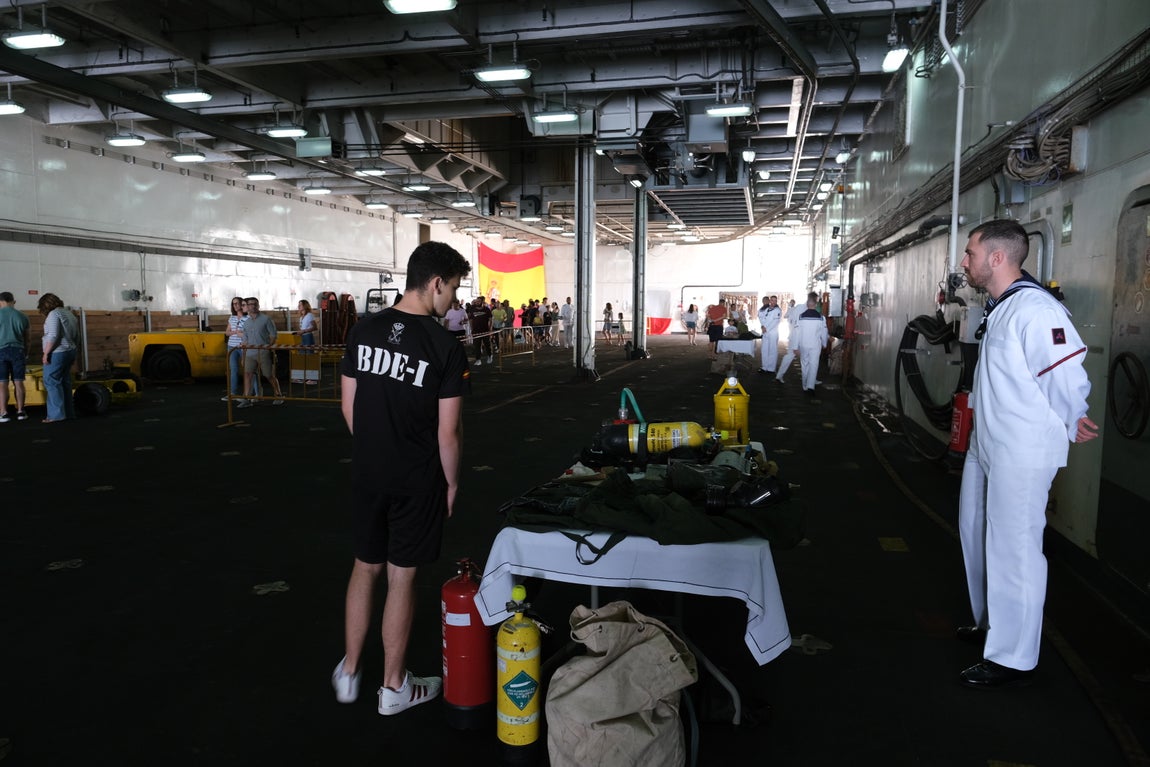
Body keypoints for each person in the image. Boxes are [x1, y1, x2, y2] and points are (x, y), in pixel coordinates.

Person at [955, 219, 1098, 689]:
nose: (964, 261)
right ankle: (990, 624)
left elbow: (1064, 369)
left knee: (1014, 548)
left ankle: (1012, 656)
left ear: (996, 258)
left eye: (970, 252)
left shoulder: (1036, 309)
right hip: (989, 441)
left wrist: (1074, 413)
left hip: (1021, 448)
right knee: (975, 531)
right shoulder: (1002, 306)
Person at [332, 241, 471, 716]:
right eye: (452, 288)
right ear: (435, 283)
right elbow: (447, 432)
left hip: (368, 472)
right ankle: (393, 687)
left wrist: (377, 446)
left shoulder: (362, 330)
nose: (453, 299)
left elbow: (349, 407)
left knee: (364, 567)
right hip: (417, 480)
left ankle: (350, 671)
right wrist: (451, 483)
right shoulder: (444, 347)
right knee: (402, 579)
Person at [38, 293, 80, 423]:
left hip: (57, 352)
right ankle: (68, 413)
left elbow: (53, 335)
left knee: (51, 381)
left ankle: (56, 415)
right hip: (70, 350)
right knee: (65, 381)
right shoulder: (69, 313)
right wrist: (75, 349)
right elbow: (76, 334)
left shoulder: (53, 314)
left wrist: (46, 353)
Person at [237, 297, 284, 407]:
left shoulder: (266, 319)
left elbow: (273, 335)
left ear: (258, 306)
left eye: (255, 304)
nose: (253, 306)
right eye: (250, 304)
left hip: (263, 351)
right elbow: (245, 340)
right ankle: (247, 398)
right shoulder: (247, 323)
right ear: (247, 306)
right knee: (248, 374)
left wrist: (268, 348)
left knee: (268, 375)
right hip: (249, 353)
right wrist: (244, 356)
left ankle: (278, 394)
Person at [0, 291, 31, 422]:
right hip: (18, 351)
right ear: (13, 301)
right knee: (18, 382)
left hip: (0, 351)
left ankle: (4, 413)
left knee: (2, 384)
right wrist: (26, 353)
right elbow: (28, 339)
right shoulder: (23, 316)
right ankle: (20, 412)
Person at [793, 293, 827, 393]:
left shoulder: (800, 317)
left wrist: (795, 346)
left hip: (803, 345)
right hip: (815, 345)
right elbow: (823, 332)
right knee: (814, 364)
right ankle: (810, 386)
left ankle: (804, 385)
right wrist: (824, 343)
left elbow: (796, 333)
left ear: (807, 305)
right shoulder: (821, 318)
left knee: (804, 364)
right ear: (816, 305)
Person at [223, 296, 251, 402]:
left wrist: (237, 333)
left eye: (237, 303)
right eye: (233, 304)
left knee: (248, 370)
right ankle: (232, 393)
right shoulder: (232, 318)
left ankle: (250, 394)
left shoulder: (248, 318)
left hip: (244, 346)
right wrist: (235, 332)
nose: (235, 306)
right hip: (232, 346)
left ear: (242, 304)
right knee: (233, 370)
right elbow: (227, 332)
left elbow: (248, 333)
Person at [775, 299, 798, 383]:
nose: (792, 304)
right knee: (790, 356)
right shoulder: (793, 310)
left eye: (793, 303)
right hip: (794, 335)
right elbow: (785, 316)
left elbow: (785, 316)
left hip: (795, 335)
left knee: (790, 356)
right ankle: (779, 375)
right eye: (791, 302)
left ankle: (811, 380)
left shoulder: (796, 309)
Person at [757, 295, 782, 375]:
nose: (773, 302)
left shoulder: (778, 310)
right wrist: (762, 326)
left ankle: (771, 369)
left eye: (775, 300)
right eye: (772, 300)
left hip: (772, 333)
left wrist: (766, 329)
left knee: (772, 350)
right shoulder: (766, 309)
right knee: (764, 350)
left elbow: (775, 322)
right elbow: (761, 318)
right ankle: (764, 367)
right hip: (765, 332)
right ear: (770, 301)